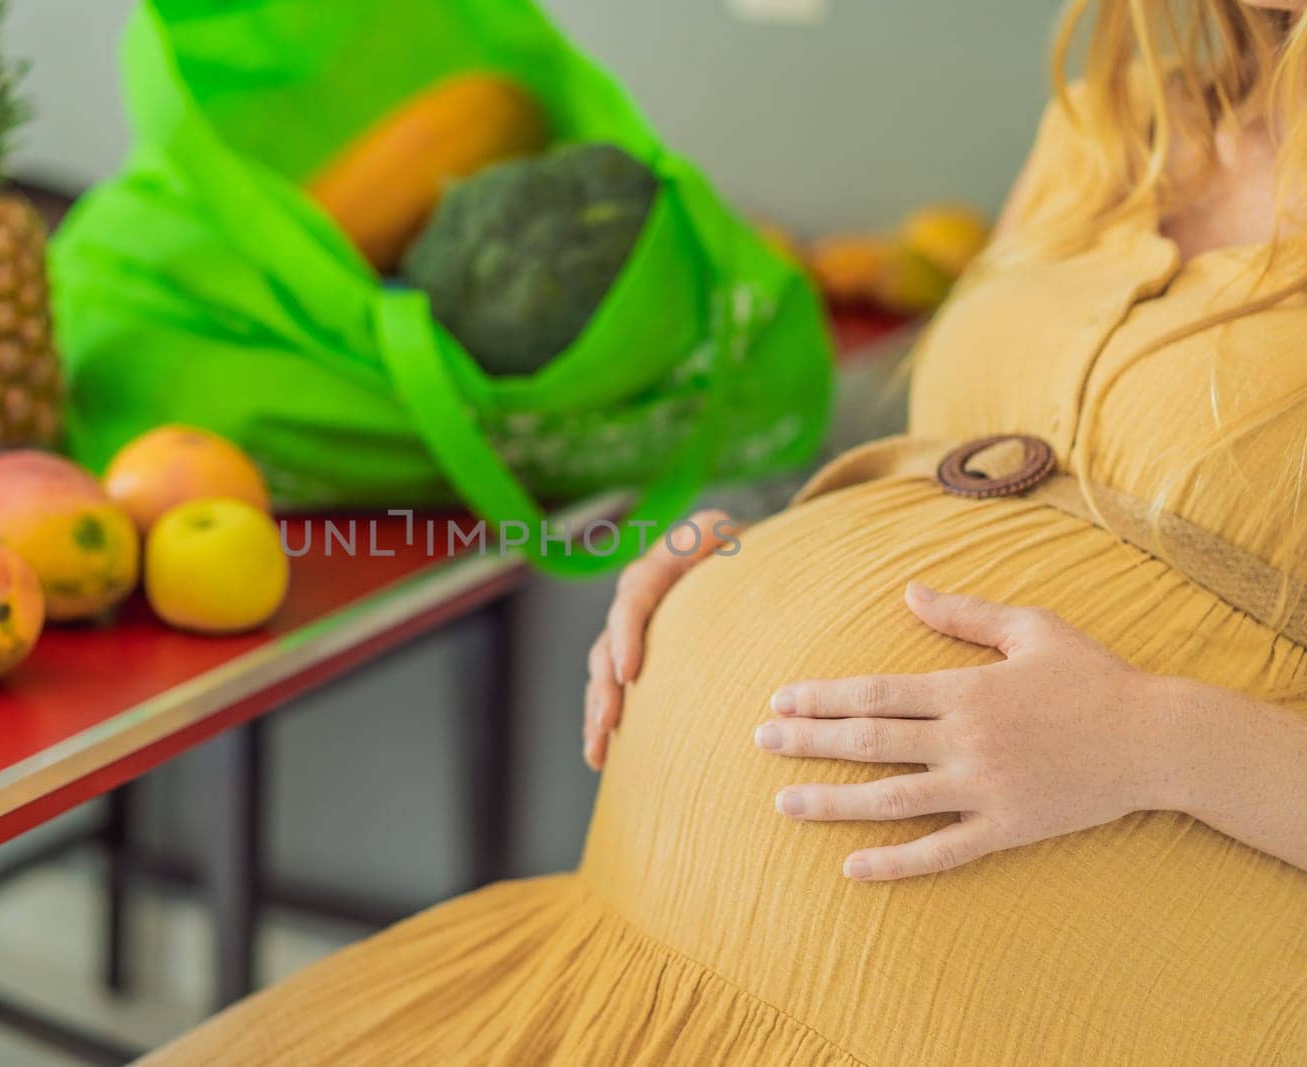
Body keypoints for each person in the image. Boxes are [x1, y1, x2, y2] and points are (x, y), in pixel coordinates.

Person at [149, 2, 1307, 1062]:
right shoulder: (1113, 124)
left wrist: (1154, 738)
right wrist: (743, 549)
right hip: (609, 958)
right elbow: (971, 468)